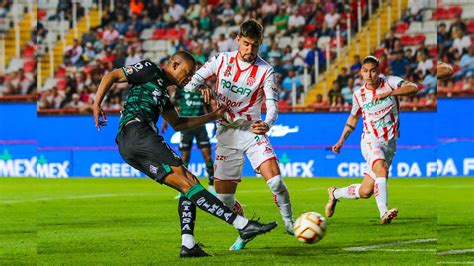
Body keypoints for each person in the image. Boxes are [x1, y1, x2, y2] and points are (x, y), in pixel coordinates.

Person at [92, 51, 277, 258]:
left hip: (129, 146)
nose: (189, 78)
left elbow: (179, 124)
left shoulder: (164, 94)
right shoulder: (149, 69)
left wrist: (213, 115)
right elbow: (112, 75)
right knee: (189, 180)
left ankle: (188, 244)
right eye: (187, 73)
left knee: (187, 185)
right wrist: (97, 103)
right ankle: (242, 224)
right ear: (174, 64)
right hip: (138, 131)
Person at [185, 19, 294, 251]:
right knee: (224, 200)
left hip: (251, 130)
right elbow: (189, 83)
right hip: (226, 133)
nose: (249, 50)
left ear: (260, 44)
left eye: (254, 45)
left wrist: (267, 123)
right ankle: (244, 230)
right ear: (238, 40)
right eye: (245, 44)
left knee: (275, 181)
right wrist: (201, 85)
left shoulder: (265, 70)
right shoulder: (221, 60)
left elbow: (273, 105)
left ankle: (290, 223)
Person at [325, 56, 418, 224]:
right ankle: (384, 213)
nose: (369, 75)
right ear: (361, 72)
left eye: (373, 71)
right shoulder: (359, 95)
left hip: (390, 143)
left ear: (379, 71)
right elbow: (353, 119)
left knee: (366, 191)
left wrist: (390, 93)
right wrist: (340, 142)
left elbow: (413, 88)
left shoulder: (391, 82)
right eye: (366, 71)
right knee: (381, 169)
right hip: (370, 140)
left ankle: (335, 193)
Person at [161, 82, 216, 194]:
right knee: (184, 159)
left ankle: (211, 186)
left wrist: (214, 123)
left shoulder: (202, 89)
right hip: (186, 125)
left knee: (208, 157)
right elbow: (170, 105)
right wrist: (166, 121)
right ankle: (183, 188)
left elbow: (208, 107)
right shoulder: (181, 90)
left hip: (200, 126)